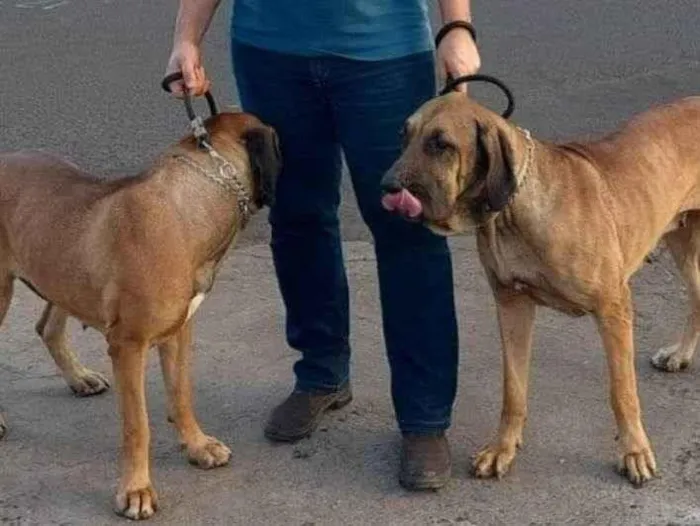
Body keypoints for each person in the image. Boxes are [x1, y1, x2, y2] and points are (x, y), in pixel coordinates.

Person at [165, 0, 481, 490]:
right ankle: (321, 373)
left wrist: (456, 27)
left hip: (385, 55)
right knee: (298, 219)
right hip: (270, 52)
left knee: (408, 230)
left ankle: (424, 418)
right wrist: (187, 38)